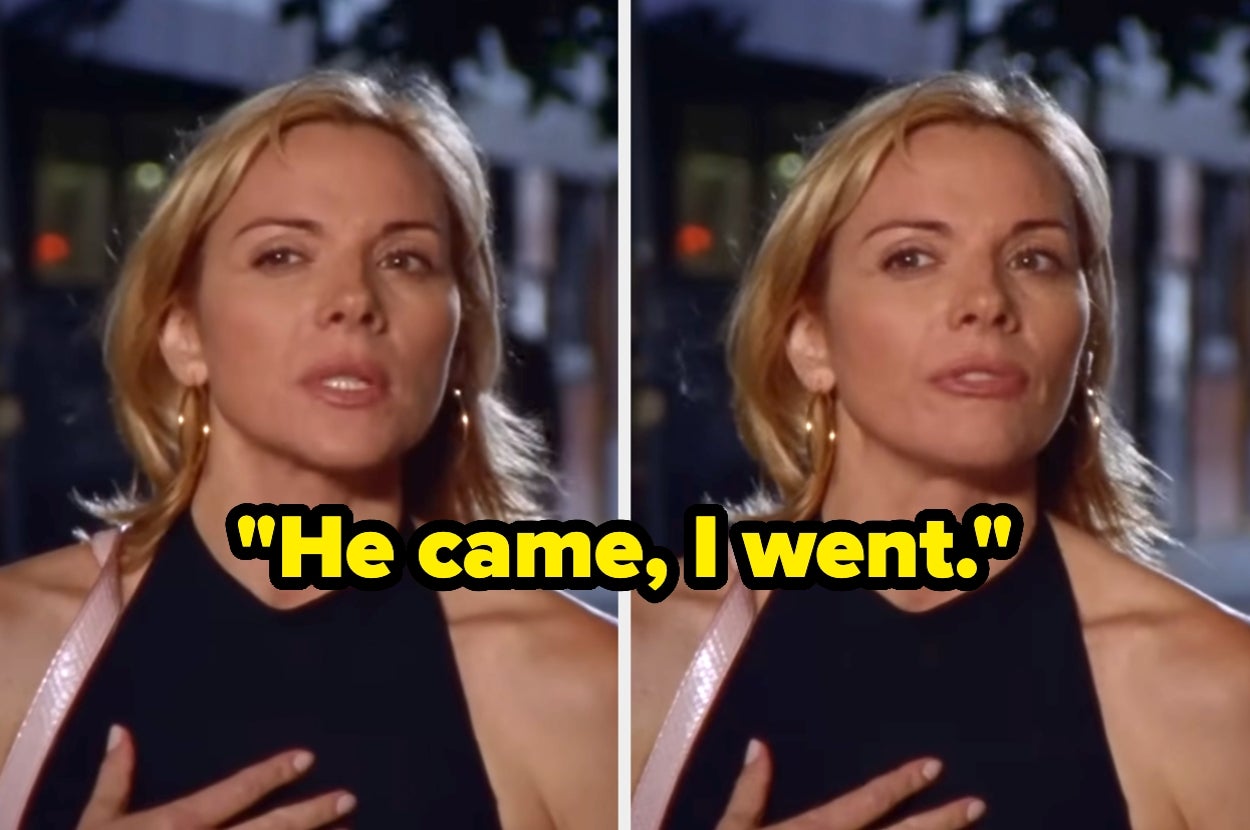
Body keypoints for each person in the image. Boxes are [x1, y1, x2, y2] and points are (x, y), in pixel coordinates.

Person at [632, 71, 1250, 830]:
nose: (986, 302)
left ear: (1086, 334)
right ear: (811, 340)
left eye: (1035, 259)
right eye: (912, 259)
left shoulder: (1211, 689)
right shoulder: (653, 651)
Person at [0, 69, 616, 829]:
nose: (354, 300)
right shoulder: (18, 649)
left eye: (405, 259)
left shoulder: (582, 688)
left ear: (457, 346)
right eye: (283, 256)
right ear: (184, 334)